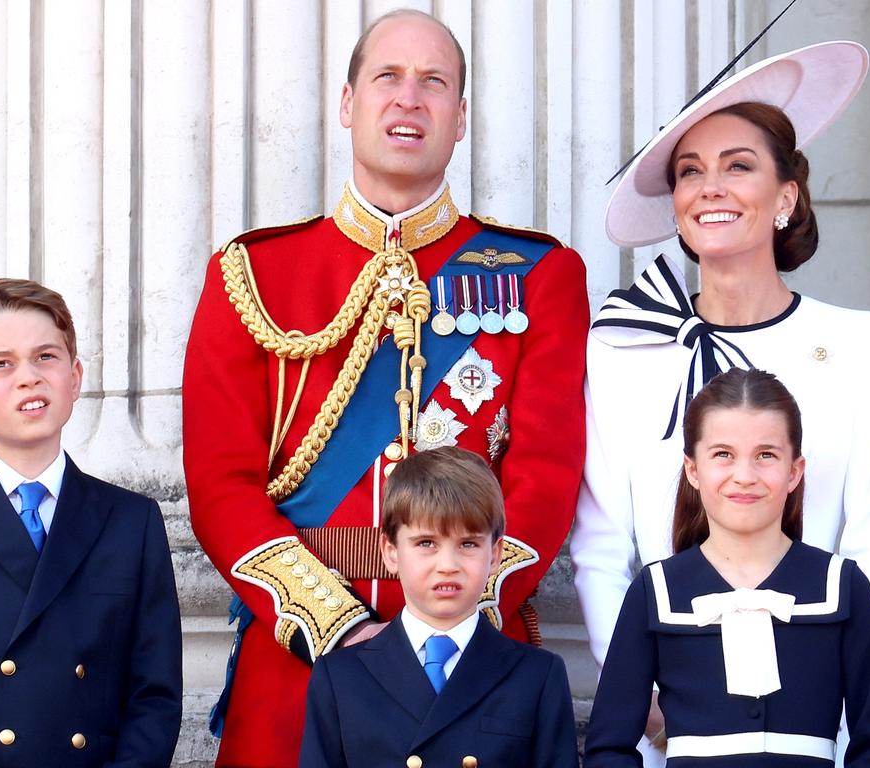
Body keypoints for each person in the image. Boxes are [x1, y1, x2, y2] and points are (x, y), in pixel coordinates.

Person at [183, 8, 588, 766]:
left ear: (460, 118)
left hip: (471, 661)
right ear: (347, 103)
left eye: (434, 82)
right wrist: (335, 625)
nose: (410, 98)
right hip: (300, 658)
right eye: (388, 78)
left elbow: (545, 477)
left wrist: (456, 613)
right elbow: (219, 484)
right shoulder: (251, 275)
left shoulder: (540, 276)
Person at [570, 41, 870, 765]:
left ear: (786, 196)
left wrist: (824, 679)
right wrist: (642, 688)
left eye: (739, 166)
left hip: (816, 720)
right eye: (691, 172)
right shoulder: (621, 347)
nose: (710, 188)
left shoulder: (863, 343)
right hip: (672, 720)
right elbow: (600, 544)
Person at [0, 279, 183, 768]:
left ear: (75, 377)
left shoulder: (133, 522)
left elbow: (154, 697)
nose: (29, 377)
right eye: (1, 363)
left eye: (45, 357)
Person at [583, 368, 870, 767]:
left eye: (766, 455)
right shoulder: (656, 590)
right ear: (693, 470)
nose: (745, 476)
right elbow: (608, 748)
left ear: (795, 471)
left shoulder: (843, 585)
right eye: (723, 455)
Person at [299, 446, 578, 768]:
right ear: (390, 552)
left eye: (468, 544)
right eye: (426, 543)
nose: (448, 565)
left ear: (496, 554)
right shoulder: (339, 676)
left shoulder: (537, 675)